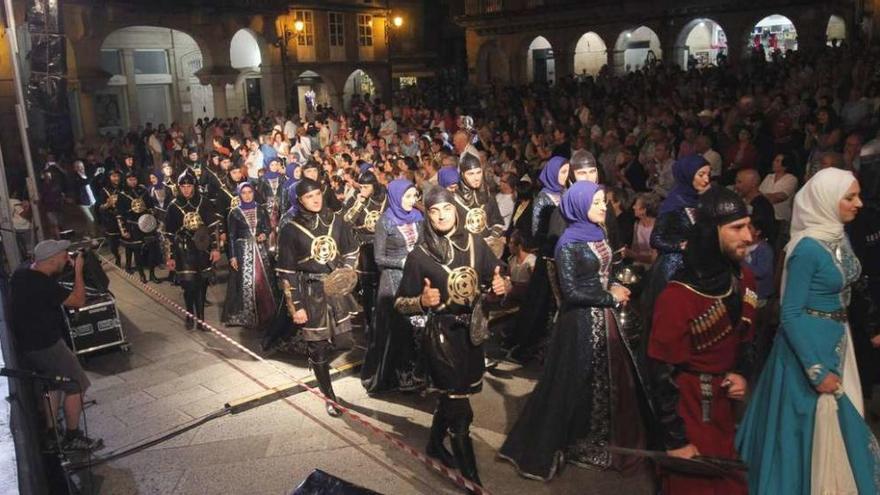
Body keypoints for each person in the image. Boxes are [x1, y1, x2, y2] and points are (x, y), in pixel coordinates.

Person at [737, 168, 880, 495]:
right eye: (850, 197)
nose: (858, 203)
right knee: (805, 425)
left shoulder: (838, 237)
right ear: (827, 200)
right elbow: (789, 314)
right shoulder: (806, 249)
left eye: (857, 195)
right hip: (808, 348)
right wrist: (815, 370)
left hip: (836, 338)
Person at [499, 181, 645, 480]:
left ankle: (593, 442)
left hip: (605, 319)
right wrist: (609, 297)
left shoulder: (600, 231)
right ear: (579, 206)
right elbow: (572, 292)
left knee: (603, 383)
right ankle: (566, 444)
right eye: (596, 203)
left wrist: (614, 284)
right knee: (572, 385)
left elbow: (606, 270)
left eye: (603, 201)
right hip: (579, 323)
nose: (603, 207)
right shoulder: (568, 243)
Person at [394, 186, 511, 490]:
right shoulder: (419, 255)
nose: (441, 216)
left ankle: (434, 444)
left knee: (454, 396)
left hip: (472, 332)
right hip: (441, 335)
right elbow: (399, 303)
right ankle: (473, 481)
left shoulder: (475, 243)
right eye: (433, 211)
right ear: (427, 216)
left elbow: (497, 278)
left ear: (455, 209)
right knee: (460, 408)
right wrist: (421, 301)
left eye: (446, 209)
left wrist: (501, 287)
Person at [648, 186, 757, 495]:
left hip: (724, 410)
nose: (748, 236)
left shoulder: (744, 279)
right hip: (689, 410)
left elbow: (746, 338)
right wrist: (676, 440)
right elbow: (660, 372)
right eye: (737, 228)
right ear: (711, 232)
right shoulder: (678, 296)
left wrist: (742, 373)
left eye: (748, 225)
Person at [275, 178, 359, 417]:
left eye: (317, 194)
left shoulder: (336, 219)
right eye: (309, 196)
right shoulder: (290, 229)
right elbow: (287, 273)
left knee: (344, 342)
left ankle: (317, 362)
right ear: (299, 200)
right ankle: (329, 397)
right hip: (309, 291)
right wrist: (296, 306)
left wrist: (346, 272)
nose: (315, 199)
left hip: (336, 290)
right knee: (319, 347)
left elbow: (352, 249)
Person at [10, 240, 102, 451]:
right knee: (77, 384)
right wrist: (78, 269)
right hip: (46, 345)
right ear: (51, 260)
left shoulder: (22, 273)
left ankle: (52, 433)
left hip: (29, 345)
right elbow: (78, 300)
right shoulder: (42, 284)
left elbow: (46, 289)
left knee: (52, 384)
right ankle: (72, 436)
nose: (66, 258)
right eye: (63, 256)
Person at [361, 179, 425, 394]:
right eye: (407, 197)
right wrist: (402, 262)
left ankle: (417, 371)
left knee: (418, 326)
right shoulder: (385, 221)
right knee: (397, 329)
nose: (412, 201)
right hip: (393, 280)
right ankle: (399, 375)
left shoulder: (418, 217)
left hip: (415, 278)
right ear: (396, 197)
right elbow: (379, 258)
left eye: (414, 196)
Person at [641, 155, 712, 333]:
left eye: (708, 174)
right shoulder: (673, 205)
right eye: (701, 174)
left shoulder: (703, 203)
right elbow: (656, 239)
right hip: (672, 271)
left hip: (697, 268)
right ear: (688, 176)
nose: (706, 179)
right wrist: (682, 245)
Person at [164, 170, 223, 330]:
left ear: (194, 186)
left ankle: (201, 320)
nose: (186, 189)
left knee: (202, 284)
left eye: (189, 186)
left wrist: (215, 248)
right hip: (183, 251)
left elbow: (213, 227)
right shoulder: (173, 206)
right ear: (179, 187)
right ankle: (190, 315)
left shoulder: (204, 202)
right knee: (189, 286)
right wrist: (170, 256)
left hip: (202, 249)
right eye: (183, 186)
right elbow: (168, 233)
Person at [221, 182, 277, 329]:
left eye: (249, 192)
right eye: (244, 193)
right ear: (239, 194)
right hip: (243, 251)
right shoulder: (234, 212)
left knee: (261, 280)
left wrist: (264, 234)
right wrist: (232, 256)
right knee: (246, 282)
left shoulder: (260, 209)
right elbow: (231, 236)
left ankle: (266, 313)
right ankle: (248, 314)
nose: (247, 195)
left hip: (260, 250)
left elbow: (268, 226)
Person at [342, 171, 388, 337]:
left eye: (366, 186)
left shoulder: (384, 198)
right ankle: (369, 321)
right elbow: (347, 220)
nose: (363, 189)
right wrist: (359, 203)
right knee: (367, 287)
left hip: (383, 245)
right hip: (364, 246)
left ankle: (383, 320)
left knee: (383, 285)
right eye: (360, 186)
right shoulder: (357, 198)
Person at [452, 153, 505, 258]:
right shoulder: (453, 199)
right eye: (470, 174)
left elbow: (497, 221)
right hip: (464, 253)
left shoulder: (488, 196)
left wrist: (493, 237)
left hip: (488, 251)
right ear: (462, 174)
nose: (476, 178)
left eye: (478, 172)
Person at [116, 172, 158, 283]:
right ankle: (142, 274)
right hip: (132, 226)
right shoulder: (122, 194)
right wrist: (123, 230)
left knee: (152, 250)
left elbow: (151, 206)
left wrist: (151, 214)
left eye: (134, 179)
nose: (133, 181)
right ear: (126, 180)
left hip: (147, 224)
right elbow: (119, 215)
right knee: (137, 251)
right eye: (130, 179)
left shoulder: (144, 191)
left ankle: (152, 274)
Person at [758, 153, 798, 251]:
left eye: (777, 161)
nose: (774, 163)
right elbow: (758, 194)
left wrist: (764, 196)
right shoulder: (769, 177)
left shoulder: (791, 179)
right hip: (765, 216)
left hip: (780, 219)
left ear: (785, 165)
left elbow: (780, 197)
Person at [96, 169, 123, 266]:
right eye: (114, 176)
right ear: (109, 178)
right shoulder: (104, 191)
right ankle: (117, 257)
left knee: (129, 242)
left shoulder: (123, 188)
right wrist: (108, 204)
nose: (116, 178)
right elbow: (100, 207)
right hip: (111, 219)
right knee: (113, 244)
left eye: (117, 176)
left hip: (124, 218)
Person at [625, 192, 659, 268]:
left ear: (644, 210)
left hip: (653, 269)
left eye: (636, 205)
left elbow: (655, 259)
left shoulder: (658, 227)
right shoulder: (636, 224)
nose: (633, 207)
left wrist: (632, 254)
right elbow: (635, 248)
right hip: (639, 266)